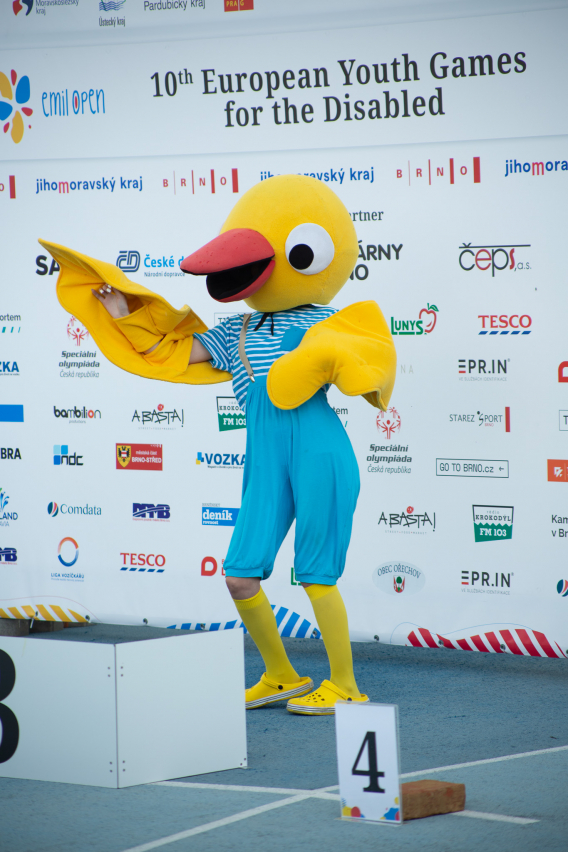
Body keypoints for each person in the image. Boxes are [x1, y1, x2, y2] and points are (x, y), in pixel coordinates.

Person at [42, 175, 397, 714]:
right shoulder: (237, 331)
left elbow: (367, 362)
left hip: (319, 449)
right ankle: (281, 675)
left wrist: (319, 360)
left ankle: (345, 684)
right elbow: (173, 353)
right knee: (239, 575)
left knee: (317, 574)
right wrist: (121, 311)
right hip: (265, 455)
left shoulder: (331, 320)